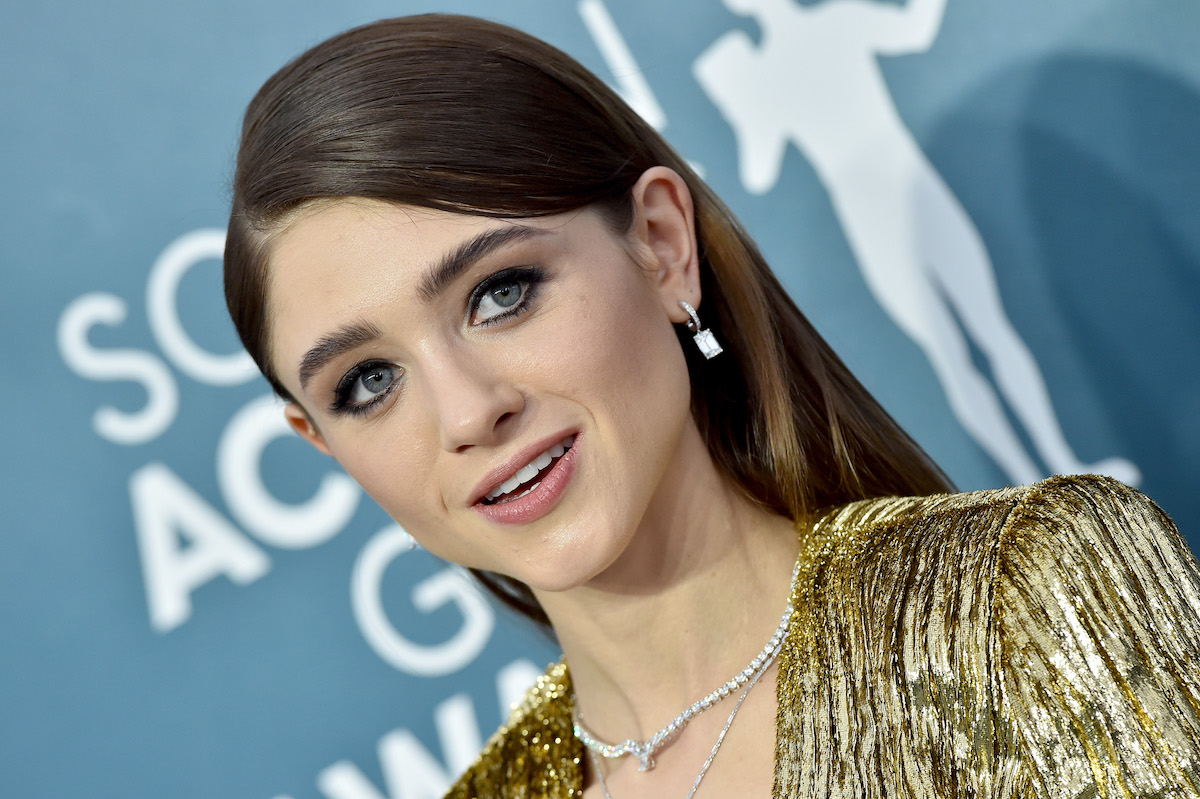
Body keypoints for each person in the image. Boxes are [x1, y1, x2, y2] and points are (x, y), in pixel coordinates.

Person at [223, 14, 1200, 798]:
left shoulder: (1022, 601)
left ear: (659, 244)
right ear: (321, 442)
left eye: (501, 292)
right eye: (368, 382)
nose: (468, 412)